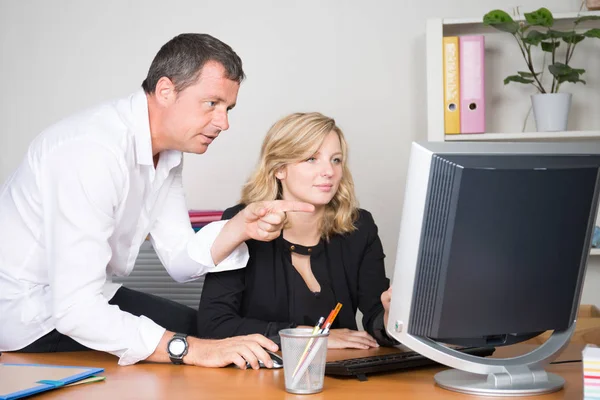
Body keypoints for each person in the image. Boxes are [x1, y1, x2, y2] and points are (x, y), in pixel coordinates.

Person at [0, 33, 314, 369]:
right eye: (212, 104)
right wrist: (190, 350)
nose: (224, 123)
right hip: (25, 315)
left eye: (228, 108)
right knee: (200, 349)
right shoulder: (91, 152)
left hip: (80, 299)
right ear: (165, 90)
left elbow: (180, 260)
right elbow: (75, 311)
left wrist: (240, 227)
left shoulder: (166, 153)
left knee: (208, 335)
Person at [197, 112, 397, 349]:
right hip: (259, 376)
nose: (329, 172)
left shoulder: (359, 226)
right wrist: (308, 337)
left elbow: (376, 320)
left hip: (342, 375)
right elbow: (214, 325)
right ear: (279, 169)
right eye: (312, 159)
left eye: (336, 160)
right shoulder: (242, 223)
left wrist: (389, 317)